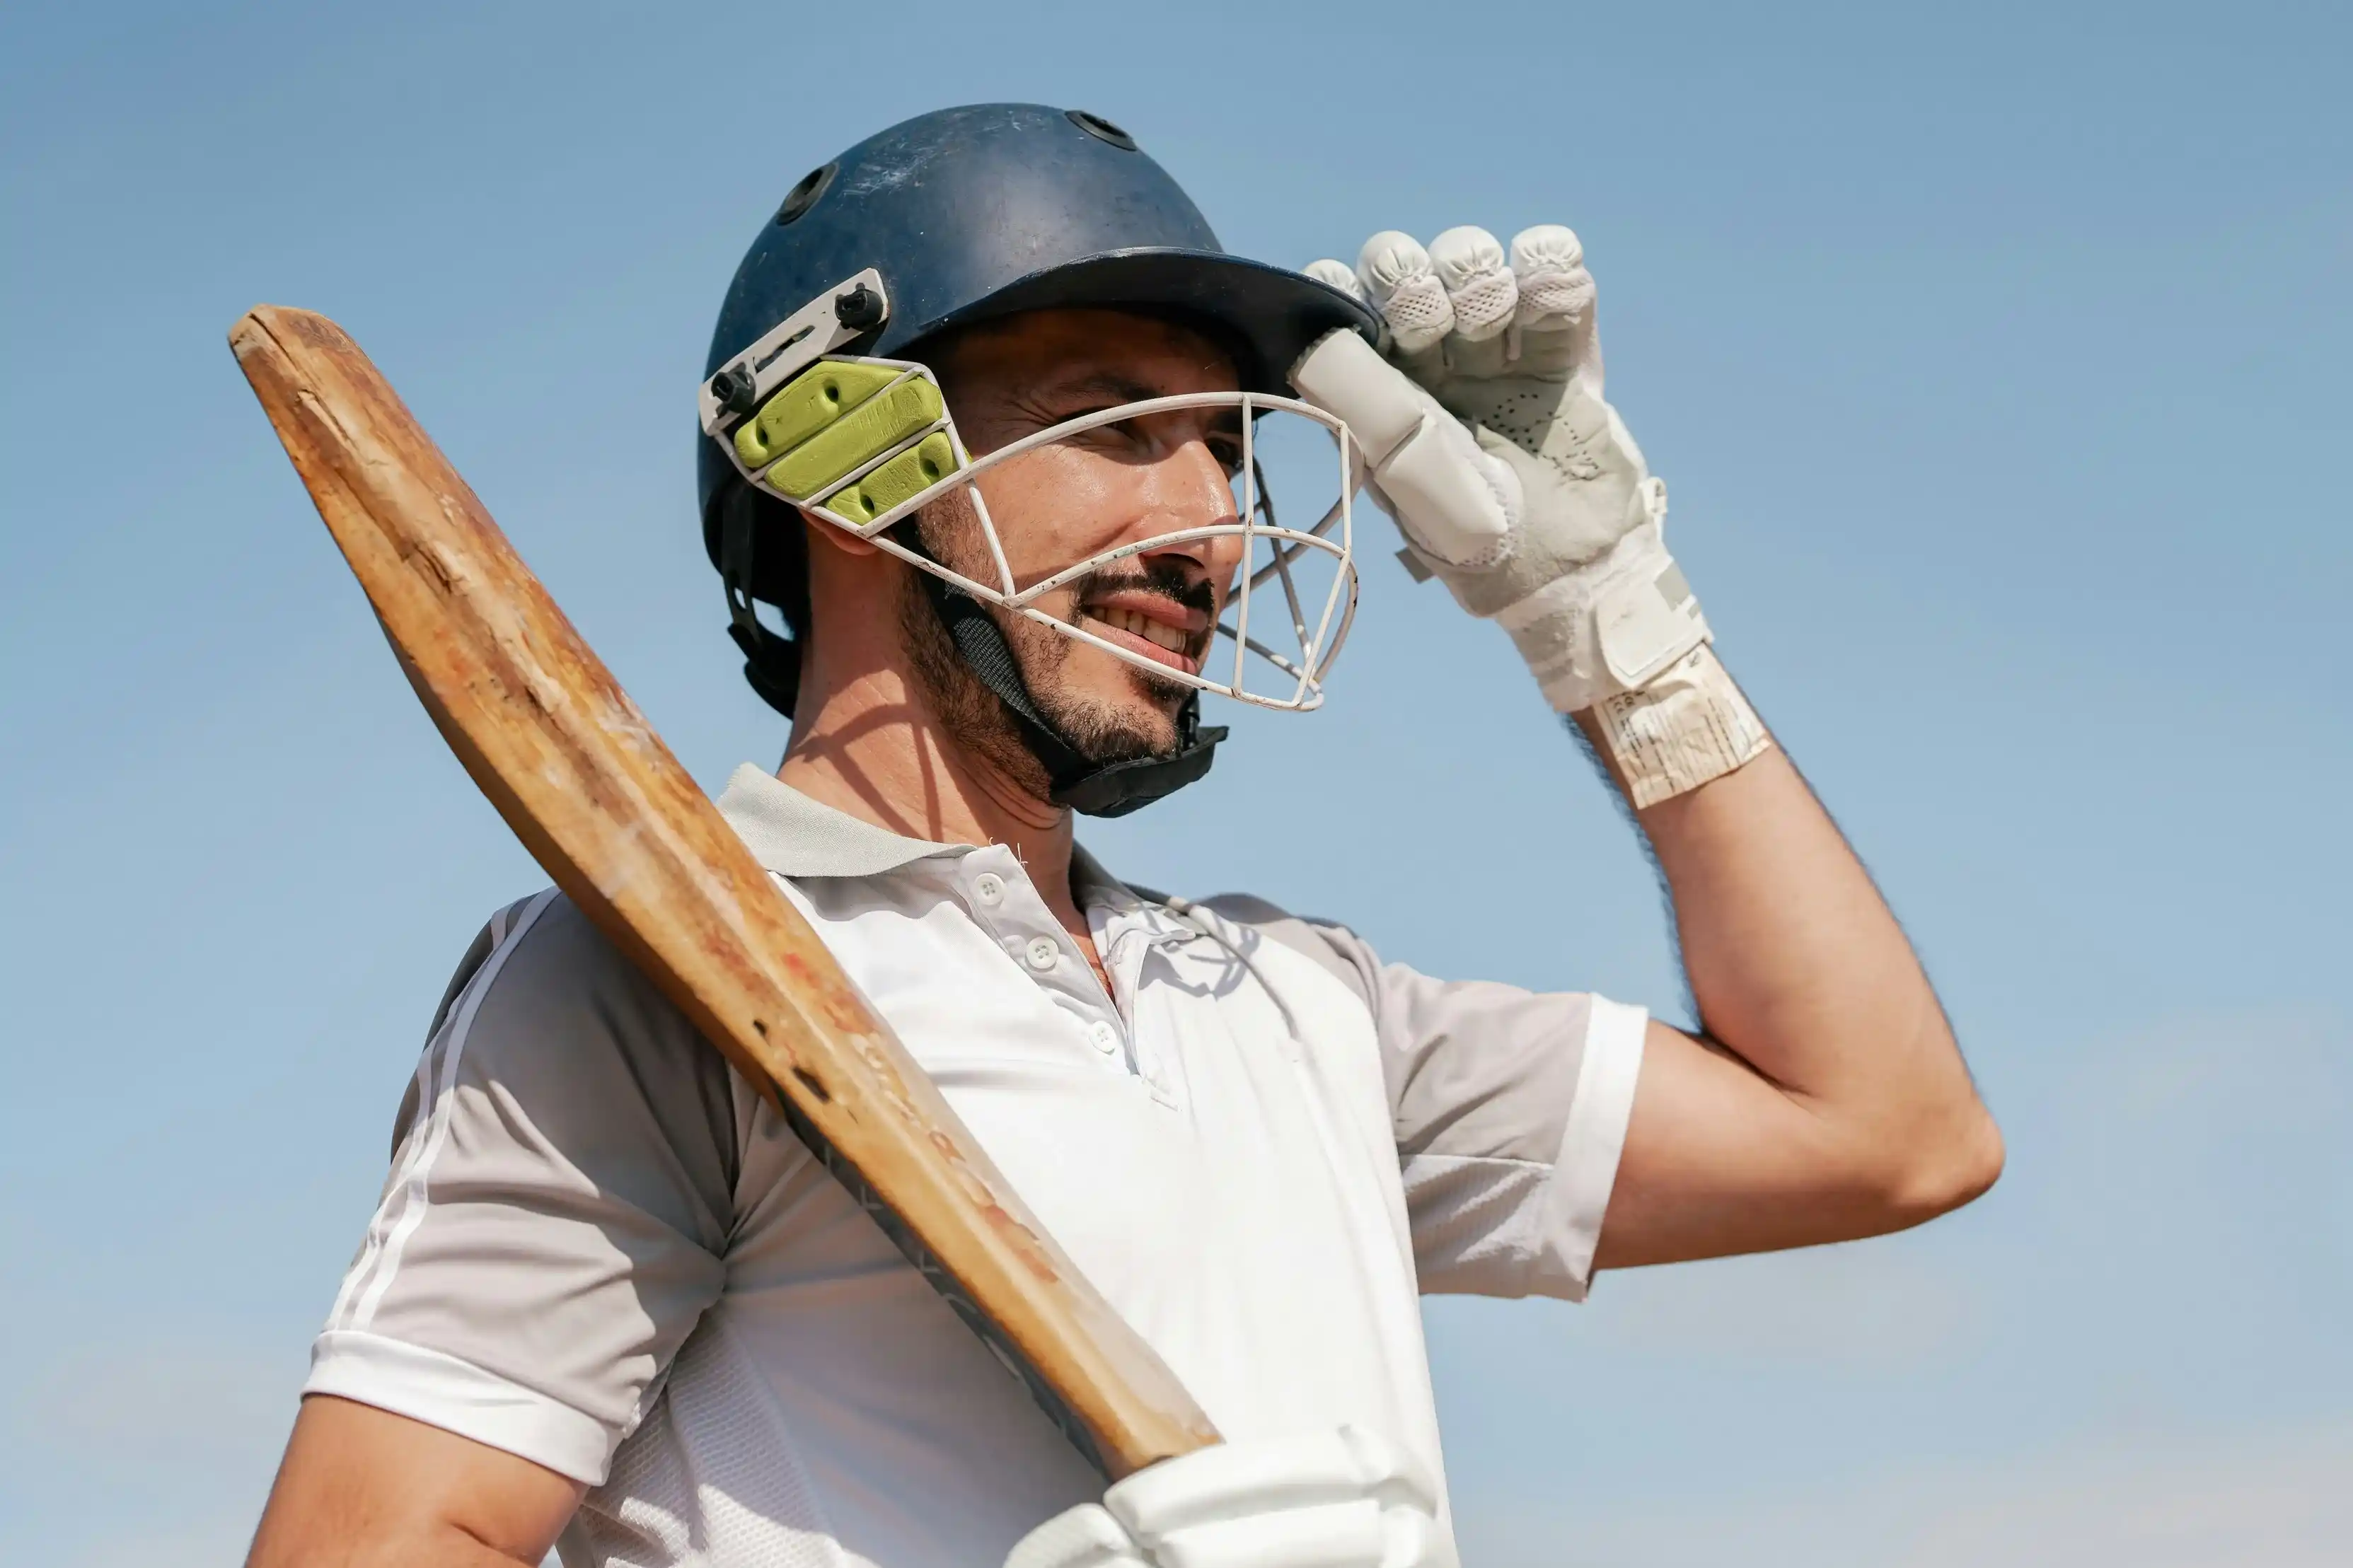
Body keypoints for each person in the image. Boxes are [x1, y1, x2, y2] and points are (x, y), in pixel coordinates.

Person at [244, 103, 2001, 1568]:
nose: (1215, 529)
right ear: (849, 468)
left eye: (1229, 454)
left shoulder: (1303, 1010)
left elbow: (1889, 1132)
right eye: (1124, 427)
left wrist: (1610, 618)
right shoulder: (643, 972)